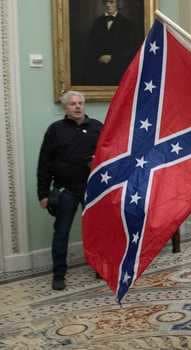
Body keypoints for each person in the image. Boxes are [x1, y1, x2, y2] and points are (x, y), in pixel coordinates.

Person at [37, 91, 103, 290]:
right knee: (62, 232)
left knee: (97, 229)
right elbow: (44, 163)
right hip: (65, 189)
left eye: (80, 103)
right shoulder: (55, 130)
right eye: (73, 104)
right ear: (65, 107)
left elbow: (109, 154)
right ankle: (59, 274)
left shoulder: (97, 127)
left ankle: (100, 267)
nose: (77, 107)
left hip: (92, 188)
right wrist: (43, 194)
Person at [85, 0, 137, 85]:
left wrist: (113, 57)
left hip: (118, 70)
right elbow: (90, 46)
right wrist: (99, 57)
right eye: (106, 2)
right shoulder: (97, 23)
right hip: (99, 70)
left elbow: (131, 48)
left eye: (111, 2)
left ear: (117, 4)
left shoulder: (127, 24)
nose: (108, 5)